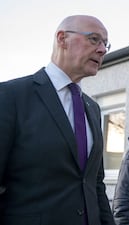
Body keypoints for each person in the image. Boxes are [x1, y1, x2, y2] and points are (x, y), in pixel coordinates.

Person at [0, 15, 115, 225]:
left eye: (105, 43)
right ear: (62, 39)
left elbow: (95, 184)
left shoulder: (93, 108)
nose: (102, 50)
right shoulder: (10, 97)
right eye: (94, 39)